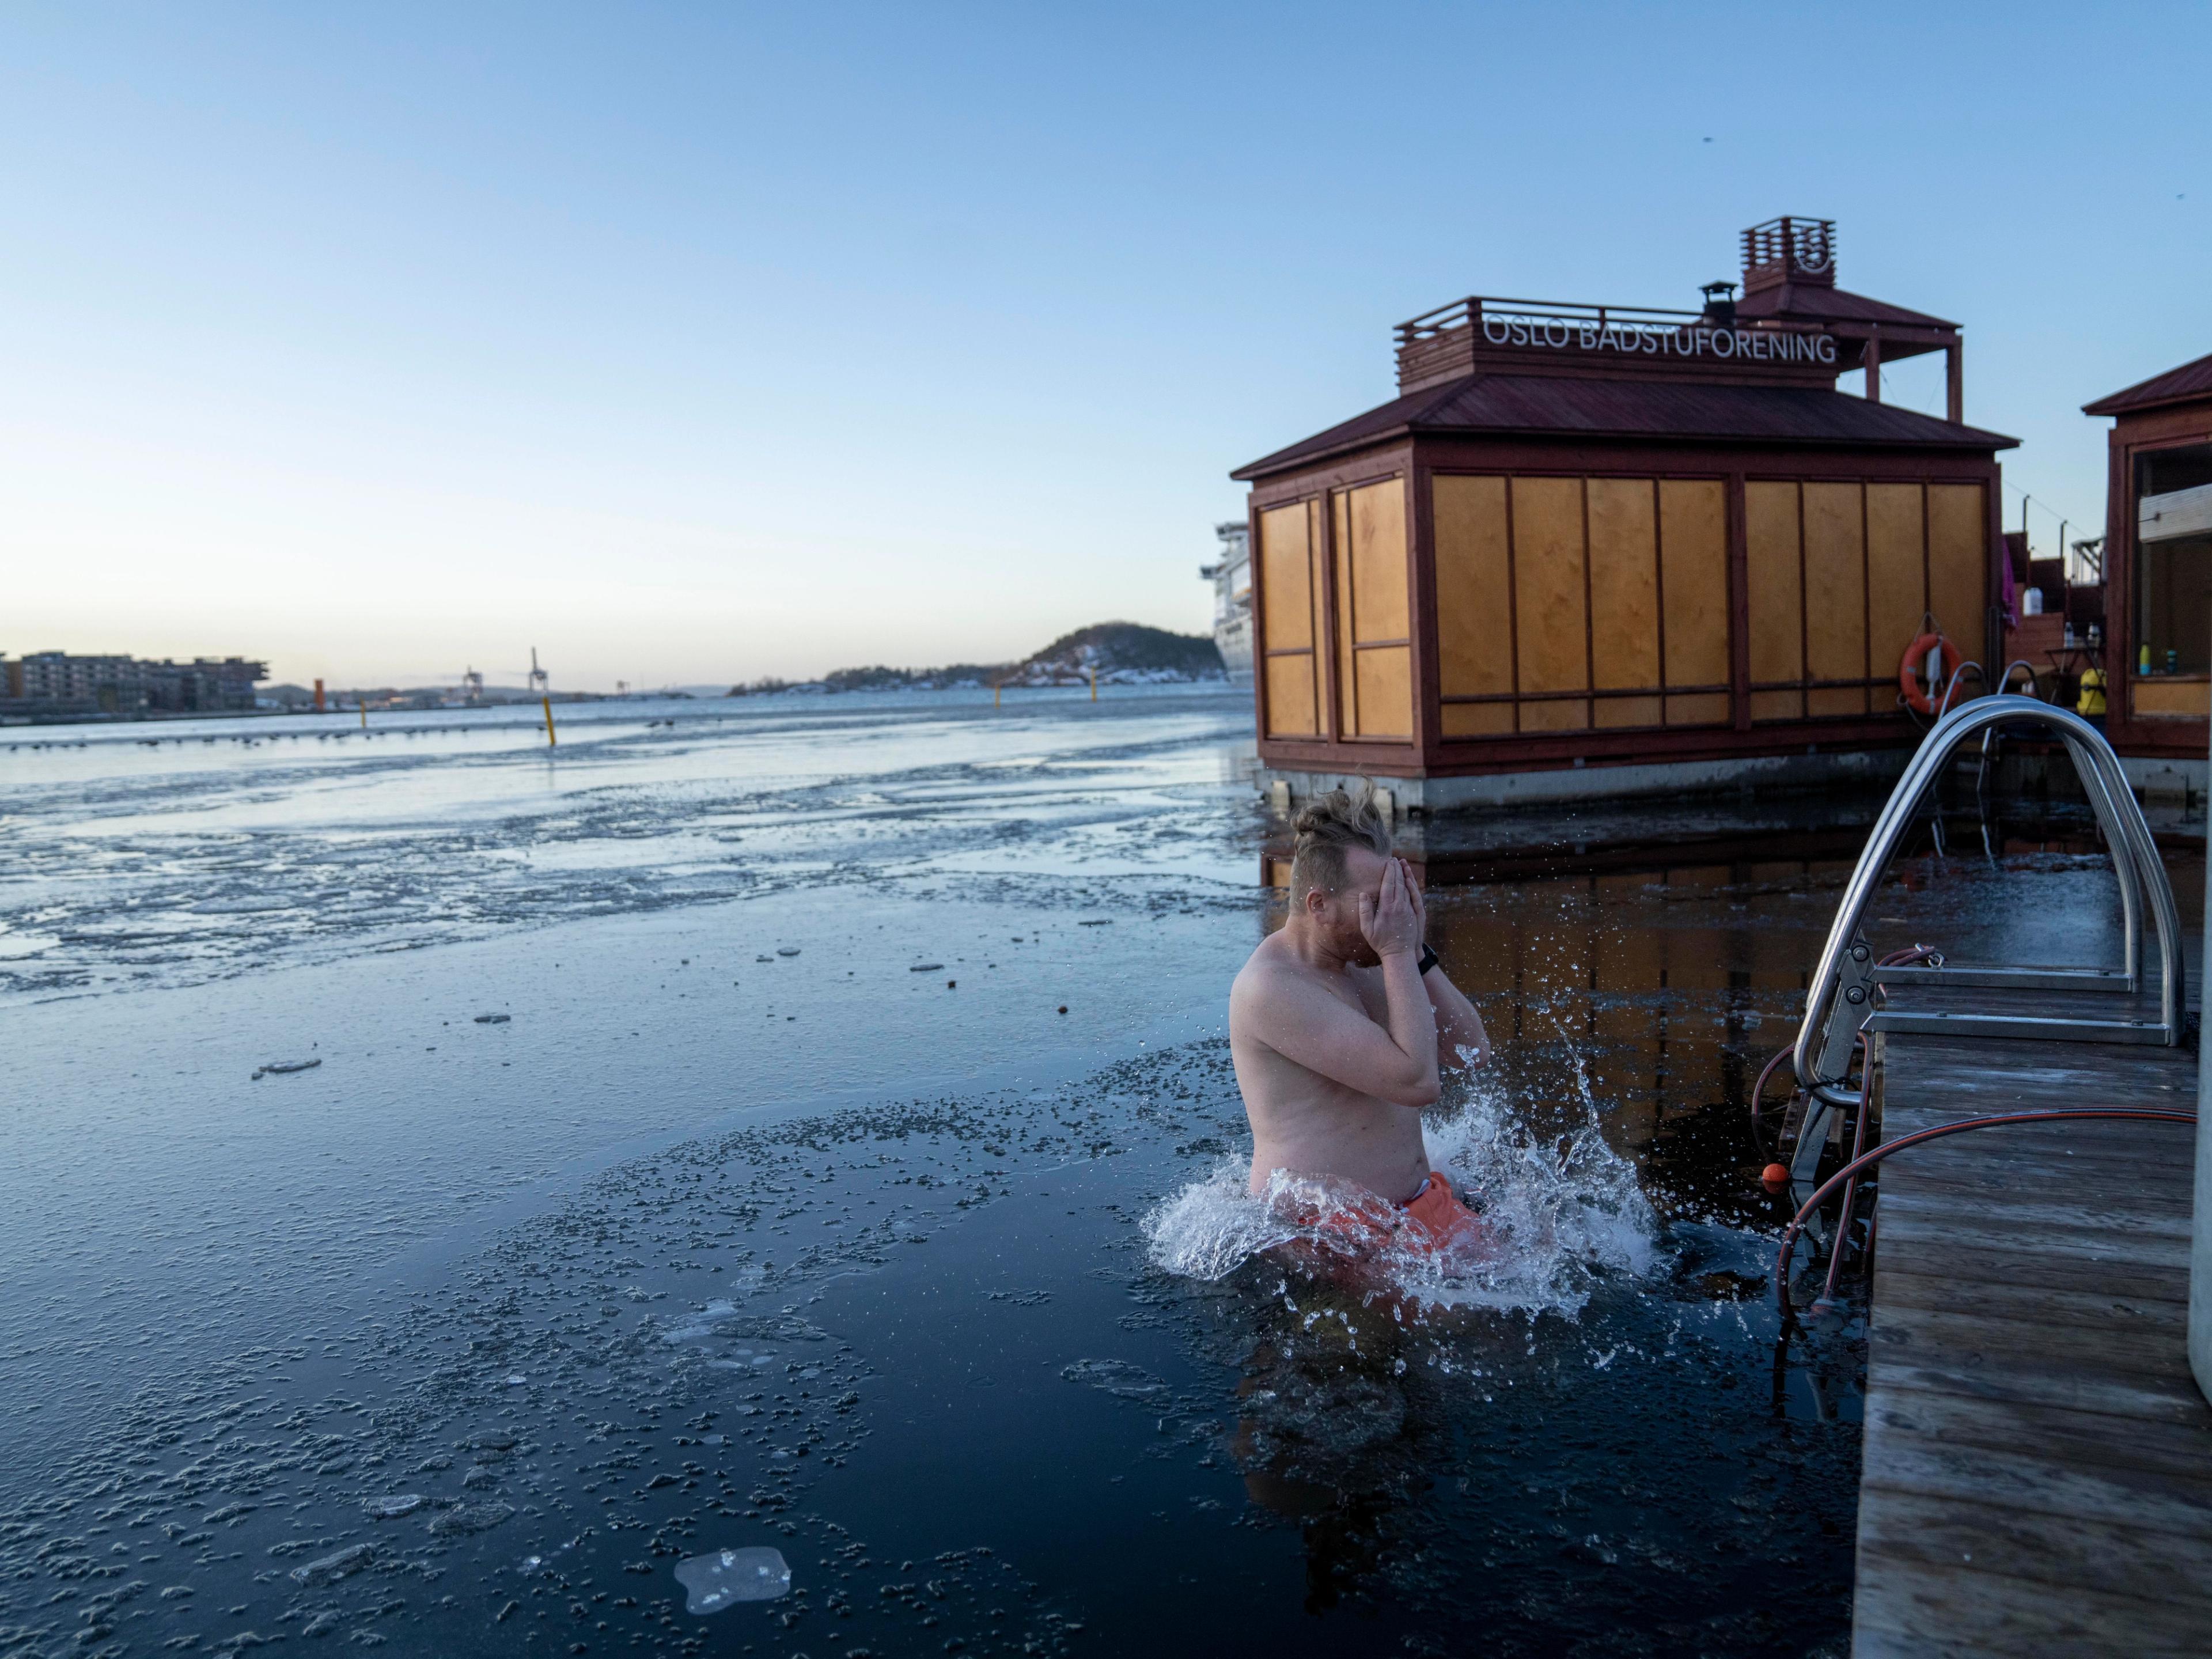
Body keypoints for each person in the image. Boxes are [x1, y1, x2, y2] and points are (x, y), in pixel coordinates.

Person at [1229, 785, 1491, 1255]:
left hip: (1409, 1209)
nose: (1393, 914)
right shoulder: (1271, 988)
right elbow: (1417, 1083)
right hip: (1326, 1233)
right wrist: (1395, 950)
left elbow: (1470, 1052)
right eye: (1377, 901)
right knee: (1489, 1321)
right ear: (1318, 906)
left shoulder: (1363, 958)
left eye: (1397, 896)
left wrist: (1415, 952)